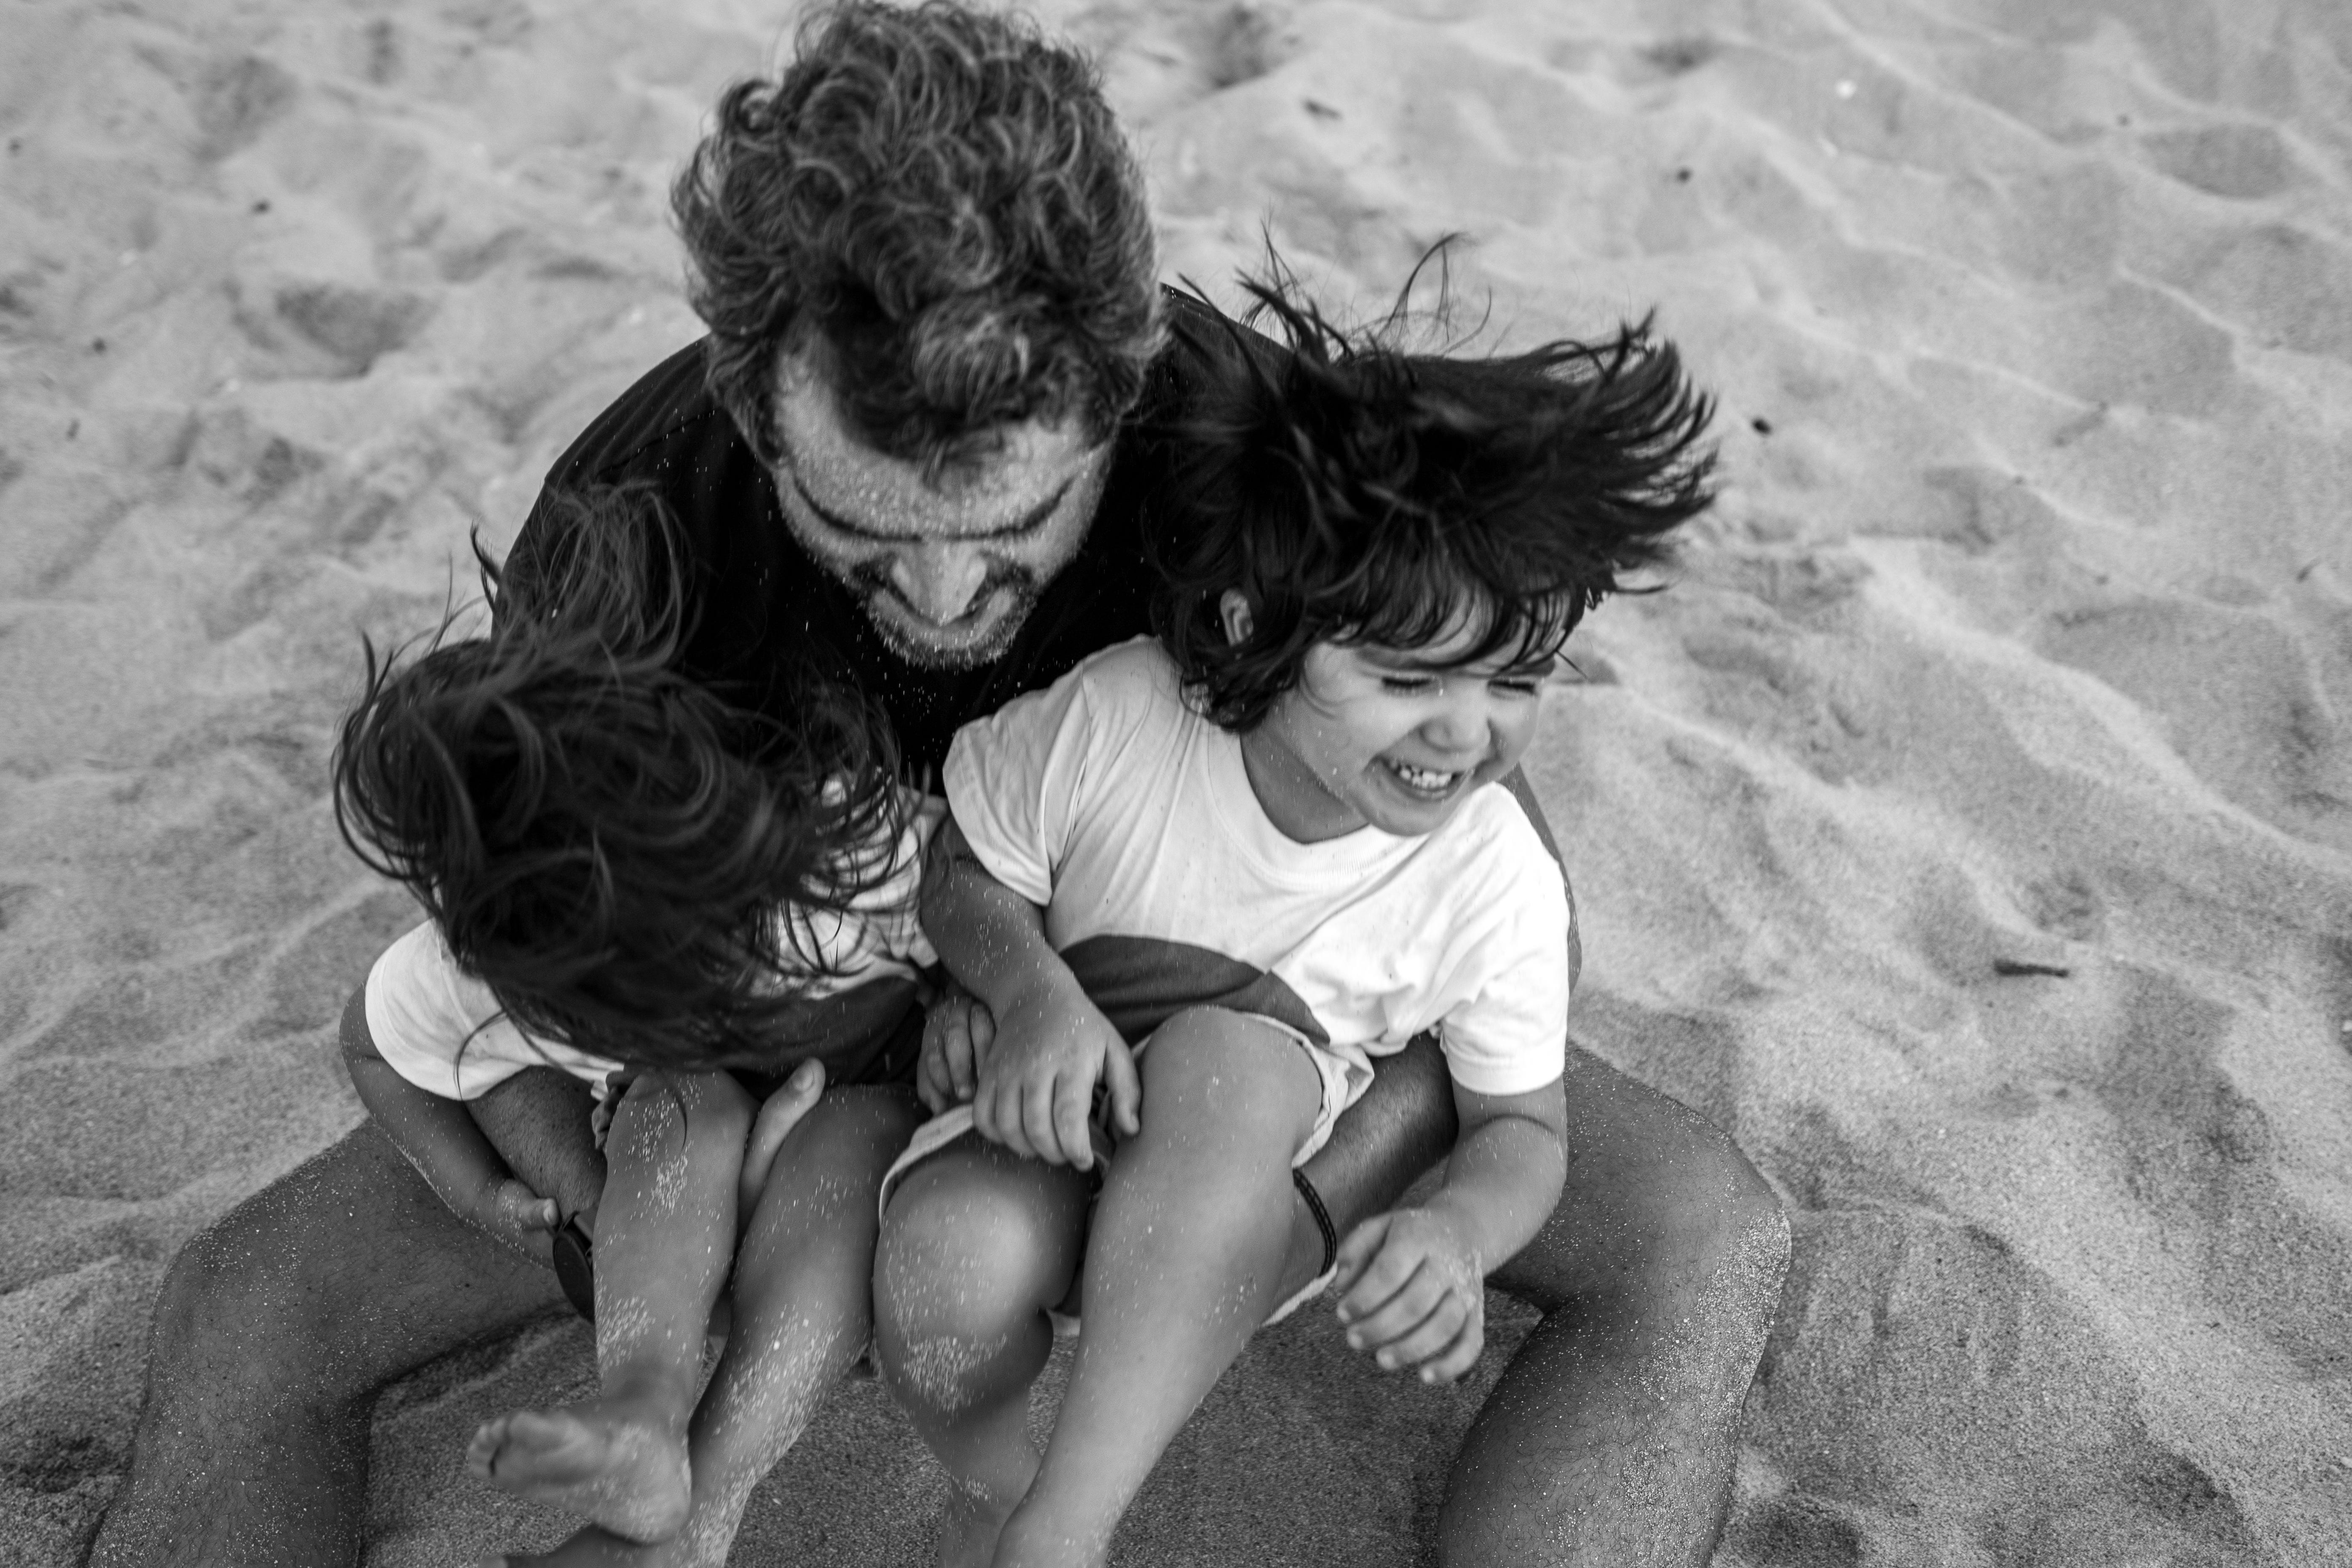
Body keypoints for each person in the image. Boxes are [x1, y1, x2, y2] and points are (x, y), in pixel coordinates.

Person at [92, 5, 1788, 1565]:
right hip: (776, 1065)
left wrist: (1310, 1180)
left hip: (1180, 1042)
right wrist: (623, 1216)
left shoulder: (1250, 460)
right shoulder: (634, 530)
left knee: (1700, 1235)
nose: (941, 600)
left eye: (1013, 531)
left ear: (1120, 393)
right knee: (249, 1314)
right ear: (756, 407)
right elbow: (549, 970)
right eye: (865, 532)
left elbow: (1479, 861)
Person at [872, 283, 1711, 1568]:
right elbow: (963, 871)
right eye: (1408, 675)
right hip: (1048, 1128)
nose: (1465, 729)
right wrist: (1026, 991)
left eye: (1515, 677)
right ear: (1254, 621)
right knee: (944, 1259)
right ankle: (994, 1485)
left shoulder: (1493, 876)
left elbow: (1522, 1129)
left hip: (1245, 1200)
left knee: (1228, 1057)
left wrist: (1458, 1229)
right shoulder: (1123, 716)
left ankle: (1066, 1528)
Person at [329, 485, 932, 1559]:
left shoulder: (837, 867)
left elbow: (983, 908)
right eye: (578, 1005)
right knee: (674, 1111)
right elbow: (372, 1047)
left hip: (873, 1088)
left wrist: (981, 1012)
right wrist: (478, 1192)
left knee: (846, 1152)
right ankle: (643, 1412)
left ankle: (696, 1513)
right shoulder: (492, 961)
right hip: (705, 1104)